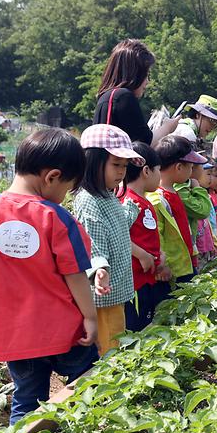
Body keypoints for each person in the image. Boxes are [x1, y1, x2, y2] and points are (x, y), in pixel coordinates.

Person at [0, 128, 102, 425]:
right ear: (52, 177)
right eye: (66, 188)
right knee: (87, 385)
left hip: (14, 336)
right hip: (65, 331)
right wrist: (90, 317)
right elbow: (75, 273)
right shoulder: (57, 218)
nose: (63, 197)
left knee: (26, 400)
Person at [74, 124, 146, 355]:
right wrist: (100, 269)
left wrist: (130, 212)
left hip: (116, 288)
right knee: (109, 348)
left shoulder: (107, 195)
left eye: (124, 166)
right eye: (116, 164)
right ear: (92, 161)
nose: (121, 172)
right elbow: (93, 240)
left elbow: (116, 228)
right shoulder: (88, 200)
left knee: (117, 339)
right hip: (104, 291)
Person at [118, 141, 171, 332]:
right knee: (135, 330)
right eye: (159, 170)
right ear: (146, 170)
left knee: (146, 325)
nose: (160, 176)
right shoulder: (128, 201)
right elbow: (119, 235)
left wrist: (159, 255)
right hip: (134, 282)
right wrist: (142, 255)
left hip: (147, 278)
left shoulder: (143, 200)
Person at [93, 39, 180, 144]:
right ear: (135, 73)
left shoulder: (107, 97)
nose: (147, 81)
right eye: (146, 74)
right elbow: (146, 144)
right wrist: (168, 127)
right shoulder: (123, 97)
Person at [148, 136, 207, 284]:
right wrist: (162, 266)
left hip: (184, 263)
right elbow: (156, 236)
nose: (192, 171)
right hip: (170, 271)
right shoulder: (158, 199)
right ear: (179, 167)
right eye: (190, 167)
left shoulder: (175, 191)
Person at [175, 157, 213, 267]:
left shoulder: (186, 187)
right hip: (188, 248)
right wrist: (197, 187)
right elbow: (203, 211)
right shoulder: (182, 189)